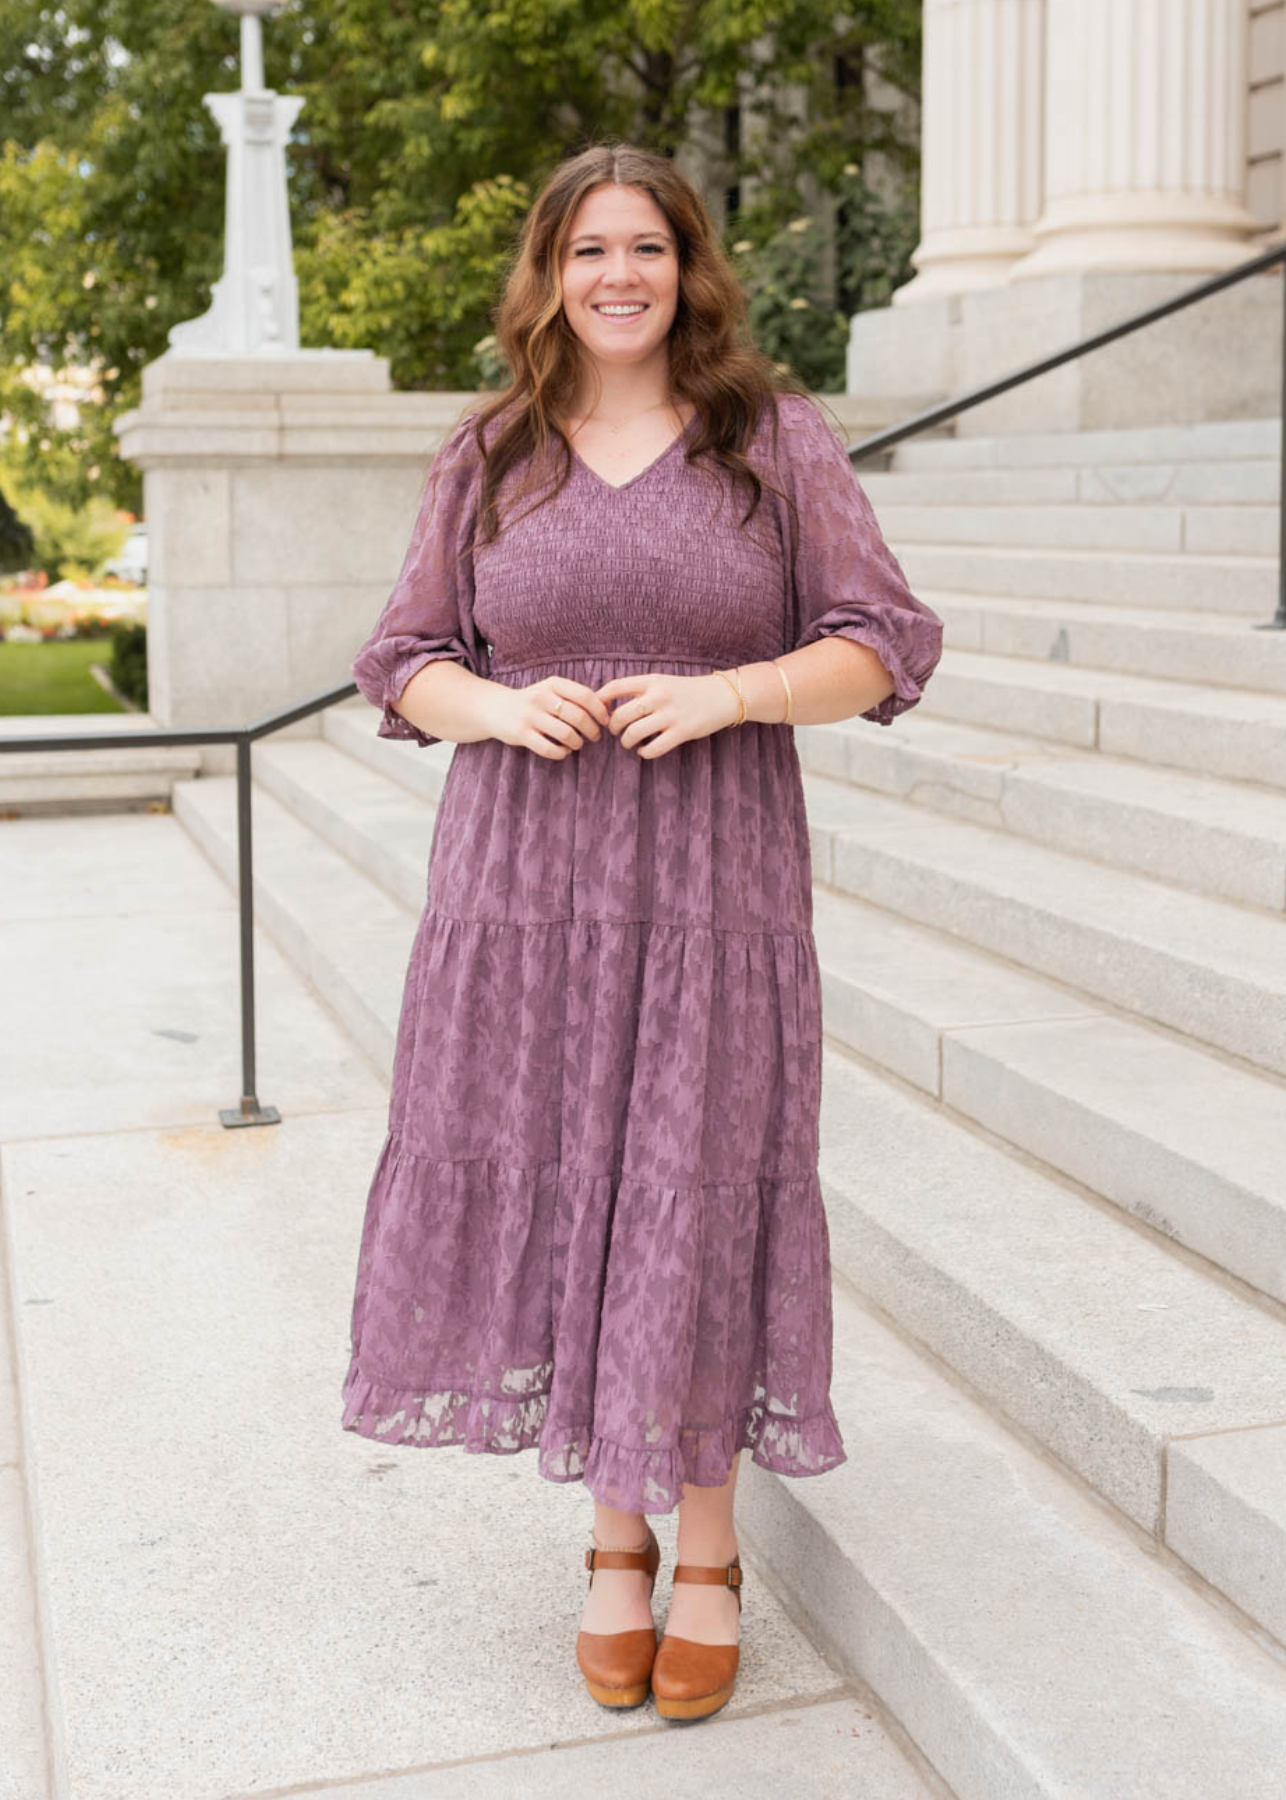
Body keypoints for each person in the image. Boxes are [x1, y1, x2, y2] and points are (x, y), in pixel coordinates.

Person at [342, 138, 944, 1724]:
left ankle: (711, 1549)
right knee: (566, 1181)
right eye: (588, 250)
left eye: (647, 250)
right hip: (523, 886)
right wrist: (494, 701)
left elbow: (885, 641)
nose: (619, 276)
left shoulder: (769, 437)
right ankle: (611, 1544)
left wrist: (733, 689)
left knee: (694, 1181)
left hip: (712, 883)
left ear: (690, 271)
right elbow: (402, 652)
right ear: (547, 276)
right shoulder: (490, 450)